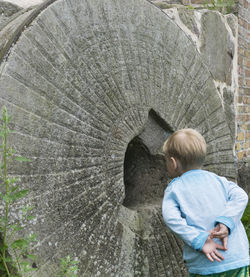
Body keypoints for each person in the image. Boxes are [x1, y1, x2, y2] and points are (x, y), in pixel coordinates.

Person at [161, 128, 249, 276]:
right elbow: (241, 196)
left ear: (173, 162)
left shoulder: (175, 189)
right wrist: (226, 222)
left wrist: (199, 240)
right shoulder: (218, 180)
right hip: (236, 258)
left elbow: (171, 218)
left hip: (206, 264)